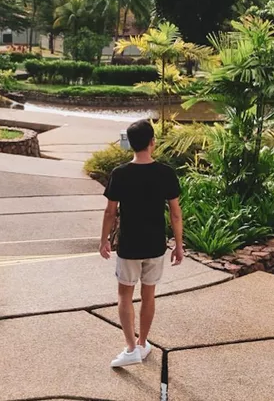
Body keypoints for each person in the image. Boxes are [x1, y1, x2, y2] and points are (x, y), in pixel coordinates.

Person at [99, 119, 184, 368]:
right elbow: (176, 214)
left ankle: (130, 348)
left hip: (129, 246)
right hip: (156, 245)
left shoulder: (120, 174)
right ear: (152, 142)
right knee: (149, 295)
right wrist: (179, 245)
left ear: (131, 145)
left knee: (125, 295)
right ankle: (143, 342)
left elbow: (110, 212)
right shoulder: (166, 173)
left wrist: (104, 240)